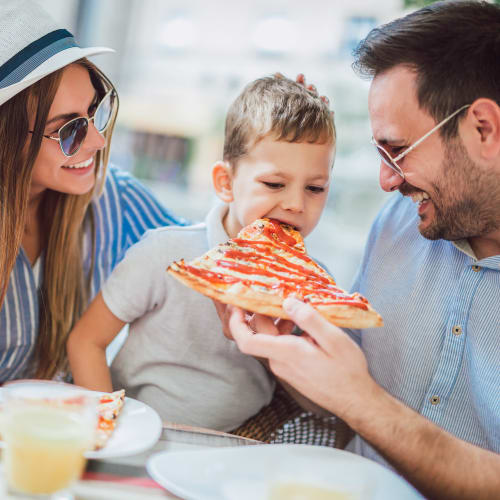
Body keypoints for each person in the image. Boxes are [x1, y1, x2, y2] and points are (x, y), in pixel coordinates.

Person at [221, 1, 500, 499]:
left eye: (398, 149)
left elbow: (358, 398)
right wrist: (280, 349)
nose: (385, 180)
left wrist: (362, 401)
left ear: (483, 128)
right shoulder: (400, 222)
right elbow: (338, 396)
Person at [67, 73, 336, 430]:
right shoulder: (166, 253)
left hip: (237, 449)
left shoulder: (313, 286)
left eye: (315, 188)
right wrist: (106, 432)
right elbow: (86, 341)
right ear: (225, 183)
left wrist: (274, 347)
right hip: (138, 435)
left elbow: (319, 405)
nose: (295, 204)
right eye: (274, 184)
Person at [0, 0, 182, 383]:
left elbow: (209, 256)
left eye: (95, 111)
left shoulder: (112, 197)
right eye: (69, 130)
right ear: (7, 140)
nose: (98, 141)